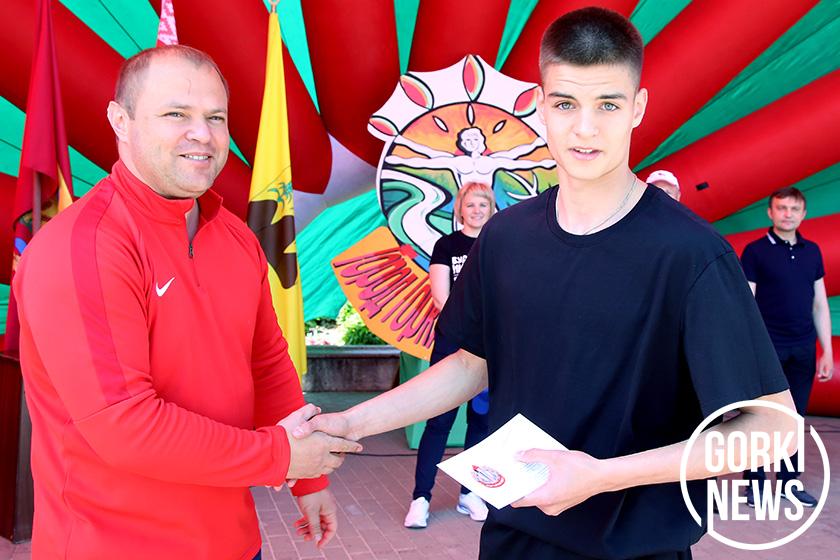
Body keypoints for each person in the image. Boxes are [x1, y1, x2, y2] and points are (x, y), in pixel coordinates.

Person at [295, 8, 797, 559]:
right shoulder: (505, 237)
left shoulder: (692, 254)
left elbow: (773, 427)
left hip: (634, 550)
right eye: (565, 104)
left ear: (638, 107)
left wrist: (601, 475)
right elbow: (468, 366)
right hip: (513, 540)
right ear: (539, 106)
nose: (585, 128)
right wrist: (350, 421)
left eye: (608, 104)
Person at [12, 45, 361, 560]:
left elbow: (267, 366)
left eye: (215, 117)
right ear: (120, 120)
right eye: (176, 114)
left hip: (234, 541)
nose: (202, 134)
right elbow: (125, 427)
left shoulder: (237, 238)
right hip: (113, 548)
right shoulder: (81, 247)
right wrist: (283, 455)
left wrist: (308, 481)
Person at [404, 182, 494, 528]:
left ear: (491, 208)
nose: (476, 210)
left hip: (490, 349)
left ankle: (470, 493)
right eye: (470, 205)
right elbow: (441, 298)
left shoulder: (500, 244)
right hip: (453, 345)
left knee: (482, 421)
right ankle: (421, 498)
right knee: (439, 421)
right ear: (460, 209)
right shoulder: (447, 245)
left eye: (482, 204)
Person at [740, 186, 834, 507]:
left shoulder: (812, 251)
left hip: (803, 348)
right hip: (767, 348)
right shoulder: (755, 251)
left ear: (803, 214)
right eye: (781, 208)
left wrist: (827, 352)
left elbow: (820, 304)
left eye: (794, 209)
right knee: (759, 416)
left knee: (795, 418)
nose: (788, 214)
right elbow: (748, 304)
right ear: (771, 213)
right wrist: (750, 349)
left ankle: (788, 482)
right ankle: (754, 483)